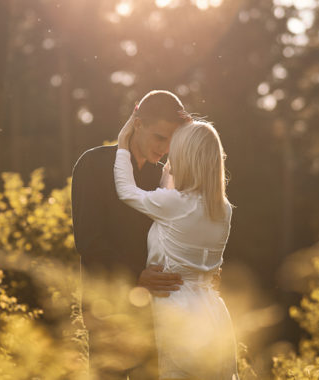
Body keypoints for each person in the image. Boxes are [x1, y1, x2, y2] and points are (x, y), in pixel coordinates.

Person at [71, 90, 190, 379]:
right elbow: (88, 240)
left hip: (153, 311)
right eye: (160, 137)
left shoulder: (163, 177)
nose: (165, 148)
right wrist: (137, 273)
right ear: (138, 124)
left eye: (173, 140)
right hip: (105, 307)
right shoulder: (93, 164)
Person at [115, 114, 239, 379]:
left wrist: (123, 144)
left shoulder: (175, 204)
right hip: (212, 310)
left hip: (176, 308)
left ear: (184, 158)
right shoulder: (224, 209)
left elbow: (126, 190)